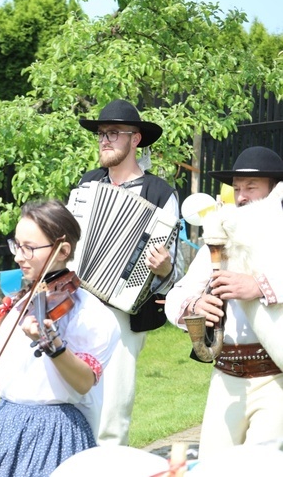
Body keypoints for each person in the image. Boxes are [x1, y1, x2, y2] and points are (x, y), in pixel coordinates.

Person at [0, 199, 119, 476]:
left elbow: (85, 381)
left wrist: (55, 347)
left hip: (55, 429)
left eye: (29, 248)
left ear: (62, 250)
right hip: (4, 423)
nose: (18, 256)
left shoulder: (89, 314)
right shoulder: (21, 302)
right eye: (17, 245)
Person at [164, 146, 283, 457]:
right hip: (225, 376)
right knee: (213, 466)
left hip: (276, 378)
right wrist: (194, 306)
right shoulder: (220, 239)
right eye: (237, 188)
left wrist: (259, 286)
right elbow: (176, 294)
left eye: (251, 187)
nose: (241, 197)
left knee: (261, 467)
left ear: (274, 191)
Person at [76, 99, 181, 446]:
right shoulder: (86, 184)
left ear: (135, 139)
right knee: (75, 404)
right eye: (101, 134)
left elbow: (172, 269)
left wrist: (163, 266)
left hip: (124, 312)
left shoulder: (160, 193)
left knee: (112, 414)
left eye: (113, 134)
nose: (104, 140)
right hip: (78, 307)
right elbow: (68, 240)